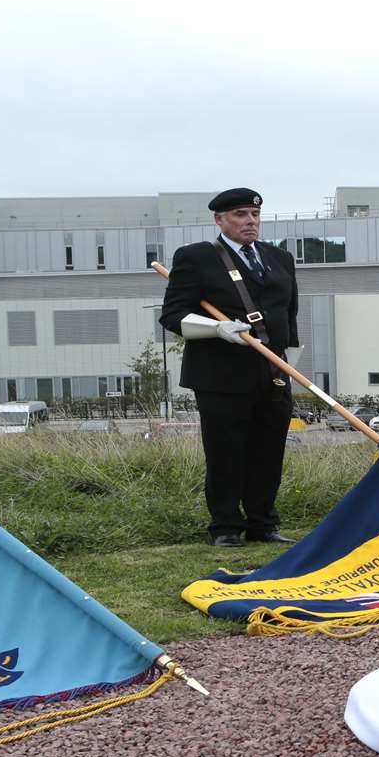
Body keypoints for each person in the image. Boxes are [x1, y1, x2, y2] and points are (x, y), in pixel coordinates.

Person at [160, 187, 300, 547]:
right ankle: (224, 527)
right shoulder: (197, 257)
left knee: (269, 451)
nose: (250, 222)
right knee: (226, 453)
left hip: (271, 371)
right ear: (219, 220)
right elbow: (173, 315)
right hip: (220, 374)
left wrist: (286, 362)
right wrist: (217, 328)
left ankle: (263, 523)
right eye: (240, 215)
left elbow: (288, 316)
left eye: (254, 215)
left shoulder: (279, 257)